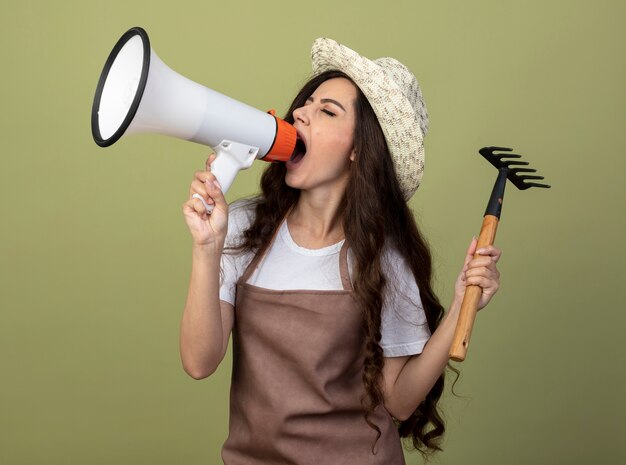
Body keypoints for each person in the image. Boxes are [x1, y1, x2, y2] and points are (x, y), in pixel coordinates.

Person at [180, 38, 501, 464]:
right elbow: (199, 362)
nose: (300, 114)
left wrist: (464, 303)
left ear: (358, 150)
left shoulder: (384, 257)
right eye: (306, 104)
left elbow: (399, 402)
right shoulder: (240, 228)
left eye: (327, 111)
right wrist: (207, 247)